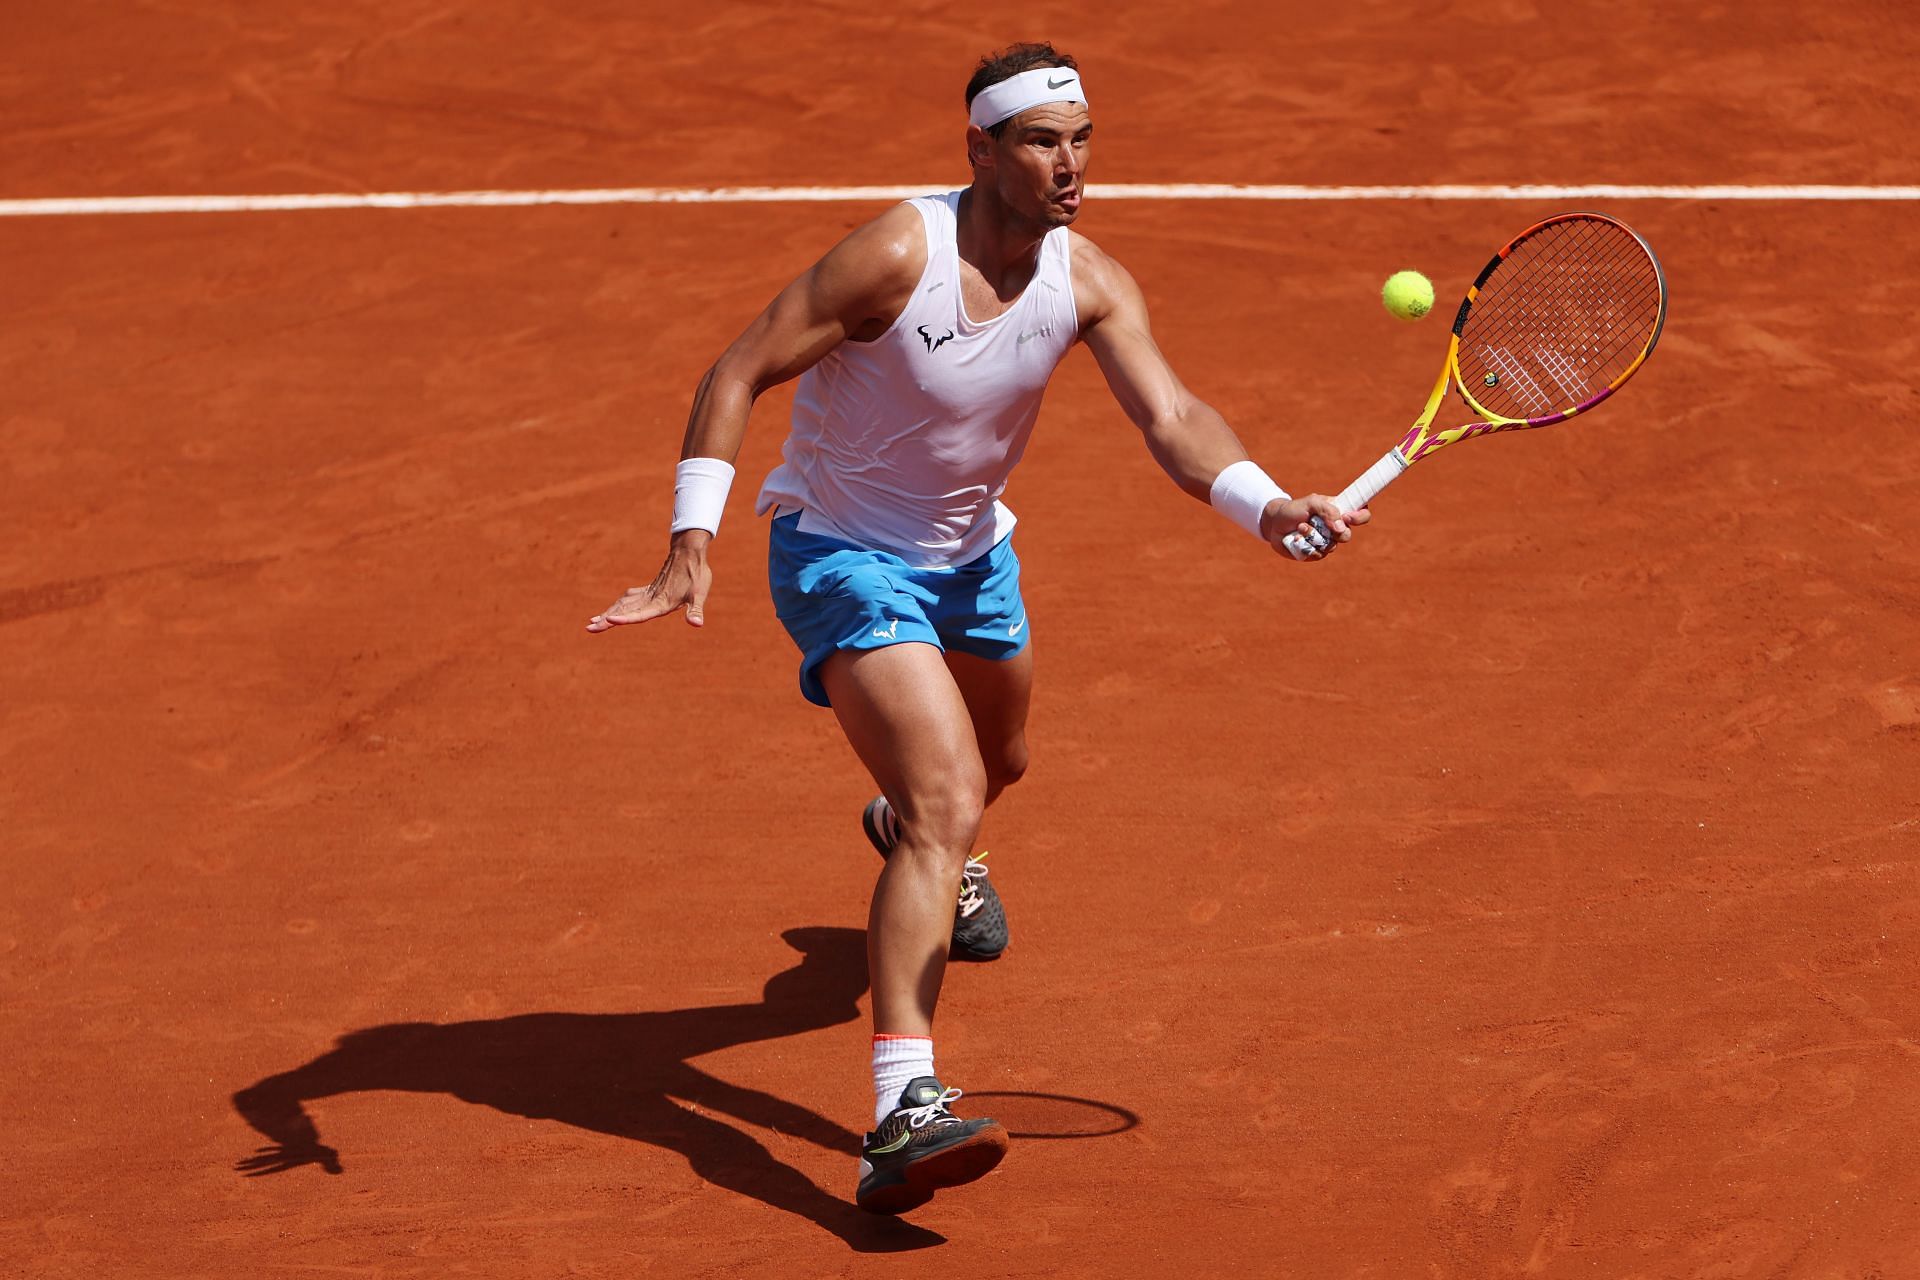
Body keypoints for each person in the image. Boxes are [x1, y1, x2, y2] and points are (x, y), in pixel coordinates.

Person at [588, 42, 1368, 1215]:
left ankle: (920, 831)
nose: (1072, 162)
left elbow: (1172, 412)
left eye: (1084, 136)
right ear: (982, 150)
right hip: (843, 555)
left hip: (973, 559)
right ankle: (904, 1106)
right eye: (1045, 139)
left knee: (995, 768)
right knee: (950, 799)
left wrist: (1264, 504)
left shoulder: (1089, 278)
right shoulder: (898, 254)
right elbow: (741, 365)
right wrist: (691, 538)